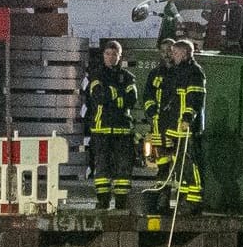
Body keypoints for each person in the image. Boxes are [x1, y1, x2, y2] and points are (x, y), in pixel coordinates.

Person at [83, 40, 137, 211]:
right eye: (107, 54)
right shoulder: (96, 75)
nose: (111, 57)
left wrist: (113, 96)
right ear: (103, 55)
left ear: (120, 57)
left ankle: (121, 203)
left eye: (114, 54)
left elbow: (131, 99)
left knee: (123, 168)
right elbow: (98, 97)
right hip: (102, 128)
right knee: (102, 167)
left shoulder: (128, 77)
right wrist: (118, 96)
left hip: (122, 129)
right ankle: (103, 201)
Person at [156, 38, 206, 208]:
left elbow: (194, 99)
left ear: (185, 54)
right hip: (173, 127)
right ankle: (183, 198)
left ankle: (194, 198)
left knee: (189, 162)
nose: (172, 55)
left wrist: (187, 118)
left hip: (185, 127)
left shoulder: (194, 72)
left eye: (176, 52)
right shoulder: (175, 72)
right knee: (179, 164)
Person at [141, 38, 176, 190]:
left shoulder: (180, 72)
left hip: (175, 123)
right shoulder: (155, 74)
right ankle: (163, 195)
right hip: (158, 124)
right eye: (163, 51)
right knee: (162, 160)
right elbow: (147, 95)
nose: (166, 54)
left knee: (178, 159)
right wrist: (152, 111)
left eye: (169, 50)